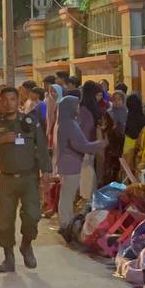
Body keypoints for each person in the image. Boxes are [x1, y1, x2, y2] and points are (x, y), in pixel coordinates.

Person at [0, 87, 51, 273]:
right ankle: (8, 257)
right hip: (7, 180)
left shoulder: (30, 121)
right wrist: (1, 140)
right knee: (4, 220)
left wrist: (46, 171)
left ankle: (26, 245)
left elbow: (42, 147)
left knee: (33, 216)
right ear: (0, 102)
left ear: (18, 100)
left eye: (12, 99)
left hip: (29, 178)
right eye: (5, 100)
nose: (8, 103)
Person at [56, 89, 105, 234]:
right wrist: (101, 143)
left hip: (66, 163)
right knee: (68, 195)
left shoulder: (64, 122)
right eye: (76, 105)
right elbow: (81, 145)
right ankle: (65, 224)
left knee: (66, 195)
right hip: (71, 164)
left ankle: (66, 222)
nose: (78, 108)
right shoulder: (70, 124)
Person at [79, 80, 109, 192]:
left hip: (90, 144)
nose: (99, 98)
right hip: (88, 145)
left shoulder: (86, 107)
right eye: (97, 95)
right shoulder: (86, 109)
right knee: (88, 175)